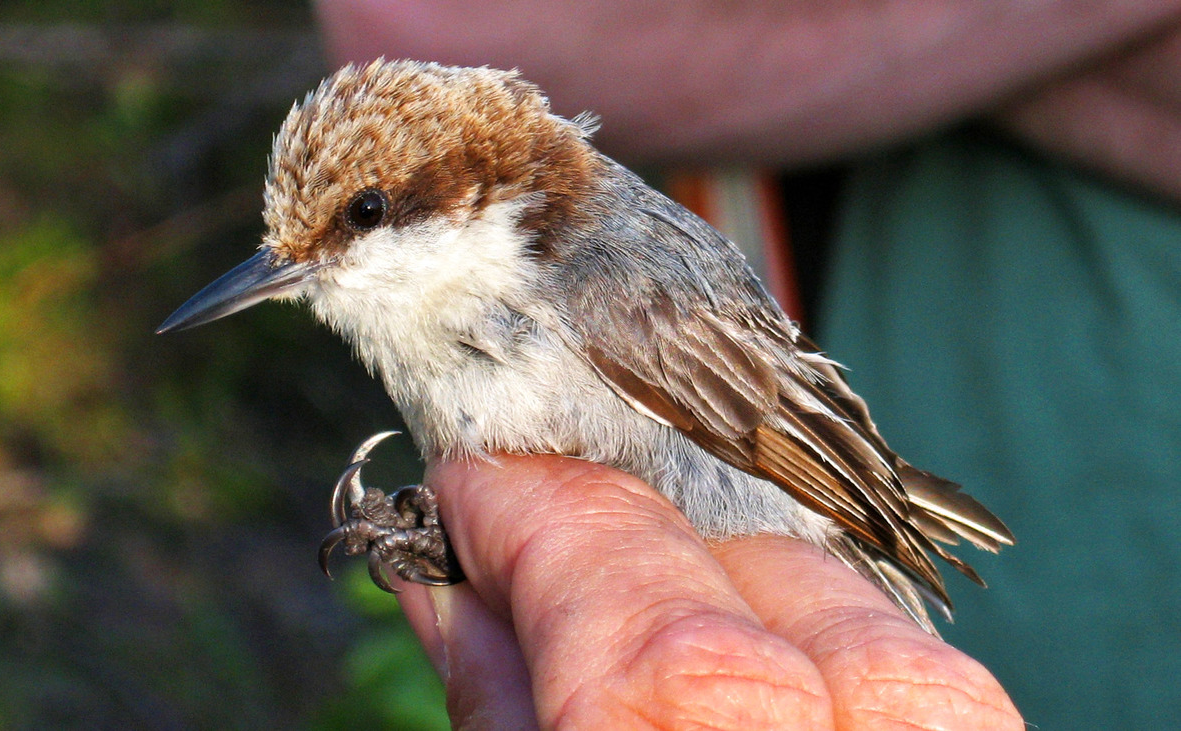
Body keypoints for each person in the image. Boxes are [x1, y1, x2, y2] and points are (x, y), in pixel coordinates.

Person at [319, 2, 1181, 727]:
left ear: (469, 191)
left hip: (832, 498)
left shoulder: (595, 277)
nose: (300, 269)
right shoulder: (449, 317)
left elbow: (771, 433)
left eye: (358, 219)